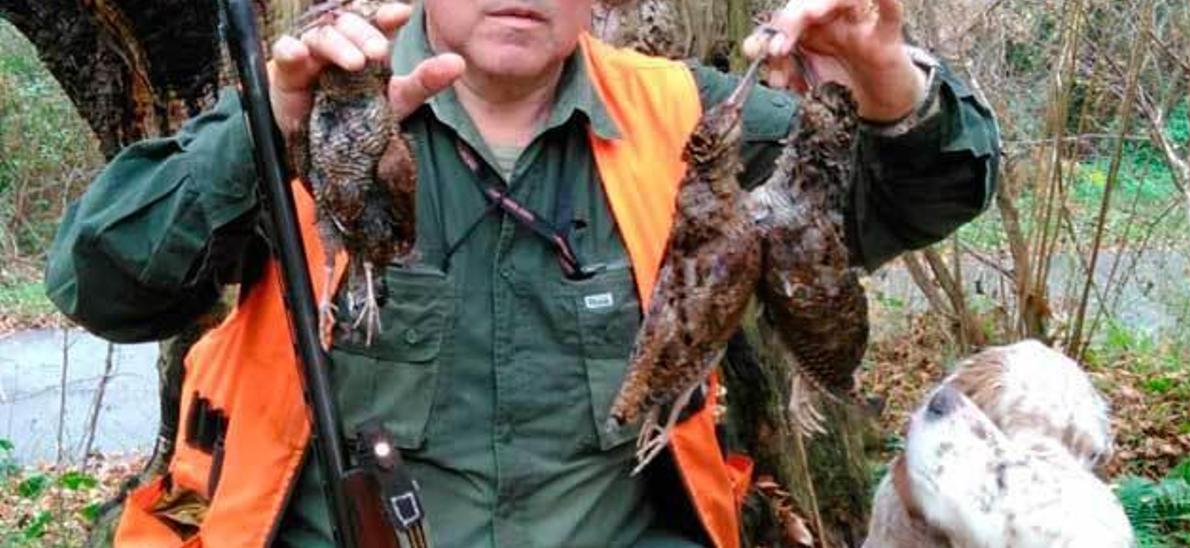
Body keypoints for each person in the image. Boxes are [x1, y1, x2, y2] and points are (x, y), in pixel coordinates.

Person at [45, 0, 999, 546]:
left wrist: (885, 81)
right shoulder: (318, 103)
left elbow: (908, 196)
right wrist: (276, 134)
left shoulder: (689, 123)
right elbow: (103, 284)